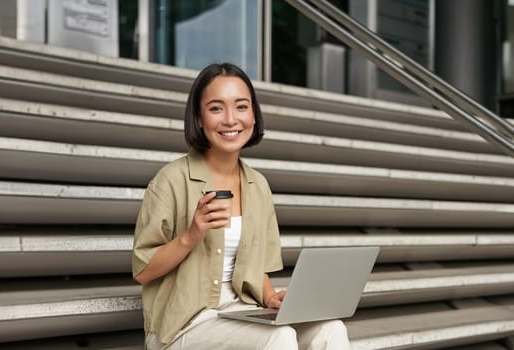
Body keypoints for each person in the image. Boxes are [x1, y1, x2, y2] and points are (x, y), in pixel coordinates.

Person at [132, 63, 351, 349]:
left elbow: (256, 269)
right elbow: (143, 271)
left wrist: (271, 298)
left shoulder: (257, 186)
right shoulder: (171, 180)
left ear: (254, 115)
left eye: (241, 106)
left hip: (241, 314)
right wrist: (190, 235)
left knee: (330, 329)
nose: (230, 119)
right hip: (184, 326)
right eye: (216, 108)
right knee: (279, 337)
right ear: (198, 118)